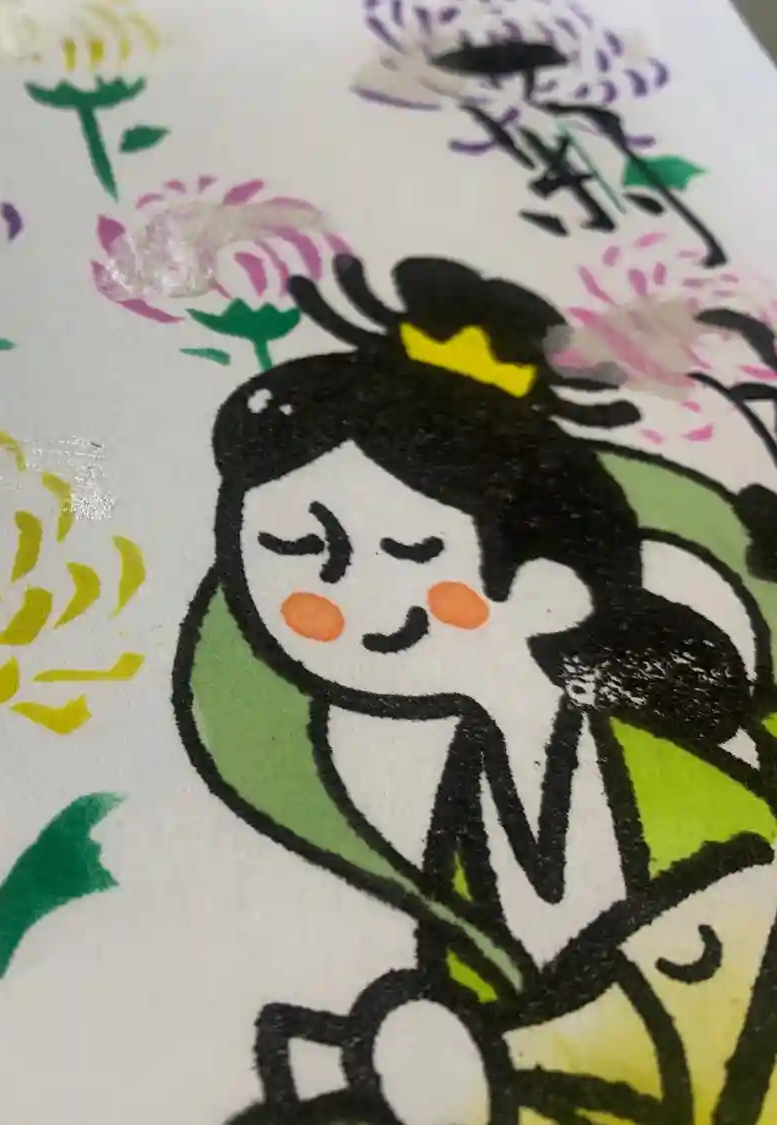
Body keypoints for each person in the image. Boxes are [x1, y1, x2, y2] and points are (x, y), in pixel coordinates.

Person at [173, 255, 777, 1125]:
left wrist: (477, 1064)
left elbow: (727, 957)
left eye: (411, 553)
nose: (348, 596)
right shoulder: (471, 801)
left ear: (548, 578)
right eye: (297, 553)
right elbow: (492, 1002)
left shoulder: (666, 745)